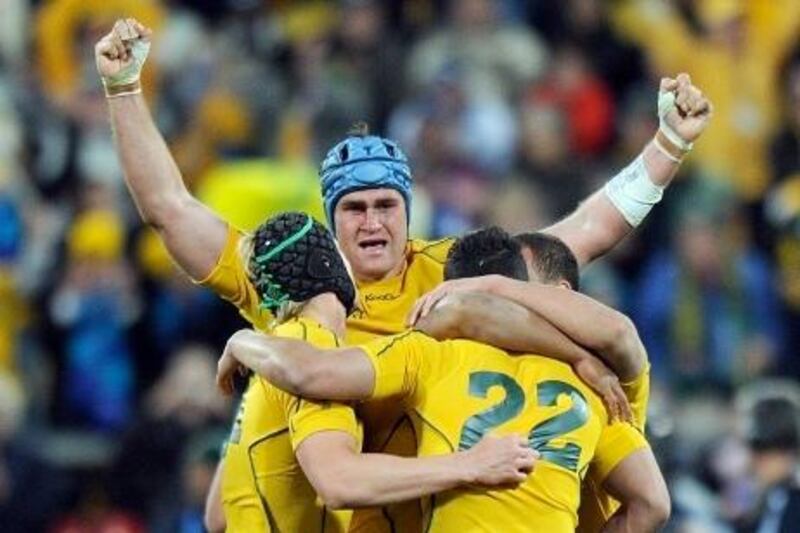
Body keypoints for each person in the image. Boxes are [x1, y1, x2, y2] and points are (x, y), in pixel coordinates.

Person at [95, 17, 711, 531]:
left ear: (406, 212)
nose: (372, 223)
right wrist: (123, 89)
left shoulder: (445, 268)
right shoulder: (294, 285)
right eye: (354, 209)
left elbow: (581, 235)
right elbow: (169, 212)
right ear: (331, 219)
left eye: (385, 206)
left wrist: (668, 146)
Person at [217, 227, 668, 532]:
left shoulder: (428, 354)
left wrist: (242, 340)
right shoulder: (601, 385)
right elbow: (652, 503)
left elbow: (309, 372)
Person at [213, 212, 536, 532]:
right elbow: (339, 481)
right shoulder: (314, 347)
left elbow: (218, 516)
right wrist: (471, 465)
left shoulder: (274, 356)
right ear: (330, 265)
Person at [405, 232, 656, 531]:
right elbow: (470, 314)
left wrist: (490, 285)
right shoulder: (504, 359)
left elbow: (618, 331)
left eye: (519, 286)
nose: (505, 303)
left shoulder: (607, 375)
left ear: (560, 293)